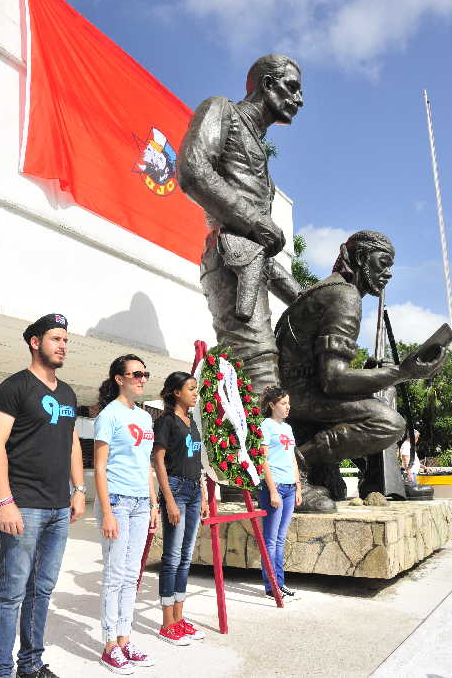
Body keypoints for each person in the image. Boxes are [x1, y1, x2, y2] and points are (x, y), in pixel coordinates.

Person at [275, 230, 446, 512]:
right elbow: (334, 380)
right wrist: (404, 371)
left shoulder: (330, 289)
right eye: (383, 263)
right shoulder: (345, 296)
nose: (388, 273)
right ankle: (296, 462)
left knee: (383, 389)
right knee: (388, 422)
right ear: (361, 259)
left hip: (299, 388)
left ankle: (382, 481)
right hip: (301, 395)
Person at [178, 54, 303, 393]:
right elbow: (193, 170)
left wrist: (304, 298)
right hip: (230, 258)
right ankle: (256, 446)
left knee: (273, 367)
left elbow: (260, 245)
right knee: (258, 369)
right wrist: (254, 220)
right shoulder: (222, 110)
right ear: (267, 85)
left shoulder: (259, 146)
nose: (299, 100)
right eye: (292, 88)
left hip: (249, 260)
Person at [0, 313, 85, 678]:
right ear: (35, 341)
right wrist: (5, 500)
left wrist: (78, 490)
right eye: (55, 338)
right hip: (23, 506)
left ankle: (30, 665)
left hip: (59, 507)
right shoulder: (14, 387)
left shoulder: (68, 392)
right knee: (11, 592)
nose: (62, 346)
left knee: (41, 590)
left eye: (65, 340)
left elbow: (73, 442)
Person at [94, 355, 159, 674]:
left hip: (139, 504)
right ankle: (109, 644)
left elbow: (147, 467)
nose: (142, 378)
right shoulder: (109, 415)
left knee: (132, 577)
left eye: (144, 374)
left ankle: (125, 638)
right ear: (119, 378)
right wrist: (106, 512)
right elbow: (100, 467)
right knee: (115, 575)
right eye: (136, 374)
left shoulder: (145, 418)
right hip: (117, 502)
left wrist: (153, 504)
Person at [152, 372, 208, 646]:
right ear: (176, 392)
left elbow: (197, 462)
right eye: (190, 389)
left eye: (196, 389)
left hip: (194, 490)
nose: (195, 393)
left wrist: (205, 495)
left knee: (186, 557)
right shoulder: (166, 421)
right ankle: (166, 623)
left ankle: (179, 617)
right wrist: (169, 499)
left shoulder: (193, 422)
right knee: (172, 557)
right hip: (175, 489)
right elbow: (158, 461)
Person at [259, 386, 302, 599]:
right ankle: (271, 586)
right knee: (270, 539)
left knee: (280, 538)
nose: (287, 407)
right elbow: (263, 460)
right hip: (273, 488)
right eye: (283, 403)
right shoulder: (265, 426)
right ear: (272, 405)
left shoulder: (288, 428)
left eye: (288, 404)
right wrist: (273, 490)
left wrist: (298, 486)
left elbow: (292, 459)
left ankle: (280, 582)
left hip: (289, 488)